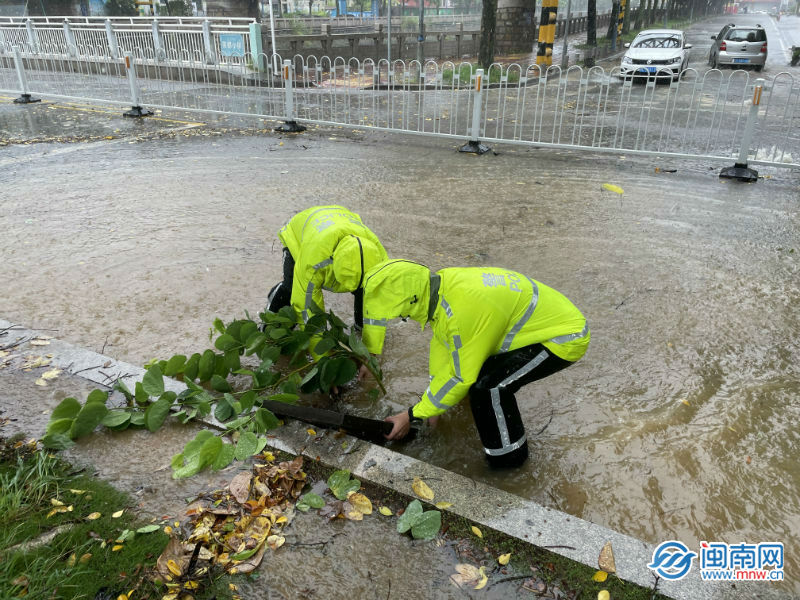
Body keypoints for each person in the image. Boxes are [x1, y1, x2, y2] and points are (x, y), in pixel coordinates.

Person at [360, 260, 590, 468]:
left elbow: (461, 376)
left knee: (489, 388)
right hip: (539, 323)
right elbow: (443, 346)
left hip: (564, 337)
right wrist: (430, 404)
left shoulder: (460, 313)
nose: (403, 318)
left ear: (411, 300)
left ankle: (509, 461)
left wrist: (410, 415)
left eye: (401, 313)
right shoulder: (440, 287)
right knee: (472, 374)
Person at [265, 205, 388, 333]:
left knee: (365, 291)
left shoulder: (380, 258)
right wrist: (318, 349)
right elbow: (306, 305)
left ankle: (361, 328)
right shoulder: (314, 260)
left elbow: (378, 300)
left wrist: (371, 343)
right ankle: (269, 320)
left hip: (340, 220)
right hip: (301, 234)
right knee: (292, 285)